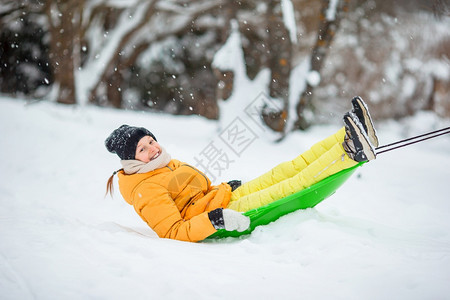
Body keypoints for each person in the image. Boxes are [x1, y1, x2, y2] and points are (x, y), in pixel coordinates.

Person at [105, 96, 378, 242]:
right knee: (289, 187)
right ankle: (350, 153)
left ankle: (347, 135)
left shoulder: (163, 163)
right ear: (131, 159)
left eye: (151, 141)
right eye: (142, 148)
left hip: (222, 199)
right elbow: (173, 231)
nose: (152, 148)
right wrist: (214, 220)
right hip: (222, 216)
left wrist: (222, 189)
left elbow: (193, 195)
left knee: (287, 169)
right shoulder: (144, 189)